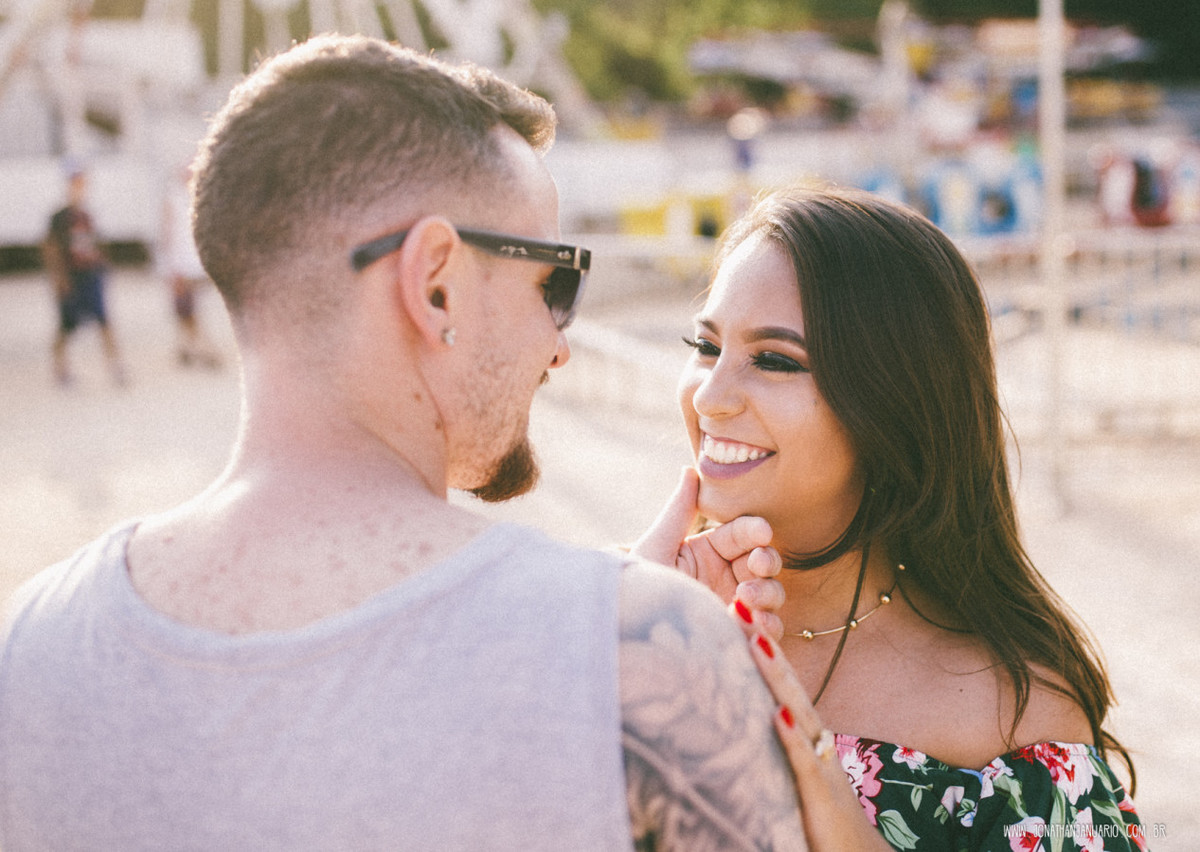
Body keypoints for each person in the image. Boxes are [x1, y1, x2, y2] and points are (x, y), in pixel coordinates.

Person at [0, 35, 808, 850]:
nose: (559, 343)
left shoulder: (29, 647)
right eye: (553, 283)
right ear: (435, 283)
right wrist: (641, 632)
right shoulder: (639, 666)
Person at [654, 185, 1146, 850]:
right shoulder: (616, 614)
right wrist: (618, 628)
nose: (710, 396)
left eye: (774, 359)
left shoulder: (1011, 714)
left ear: (893, 405)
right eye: (705, 345)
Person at [43, 163, 126, 386]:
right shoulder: (59, 217)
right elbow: (51, 249)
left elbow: (94, 245)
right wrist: (59, 279)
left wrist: (103, 266)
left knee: (104, 320)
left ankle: (115, 365)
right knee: (67, 326)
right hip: (72, 277)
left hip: (90, 275)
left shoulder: (87, 215)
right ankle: (60, 368)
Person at [159, 163, 222, 368]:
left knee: (188, 308)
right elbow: (169, 234)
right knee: (186, 308)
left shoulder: (195, 198)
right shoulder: (177, 198)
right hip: (183, 264)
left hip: (192, 264)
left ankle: (195, 347)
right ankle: (193, 347)